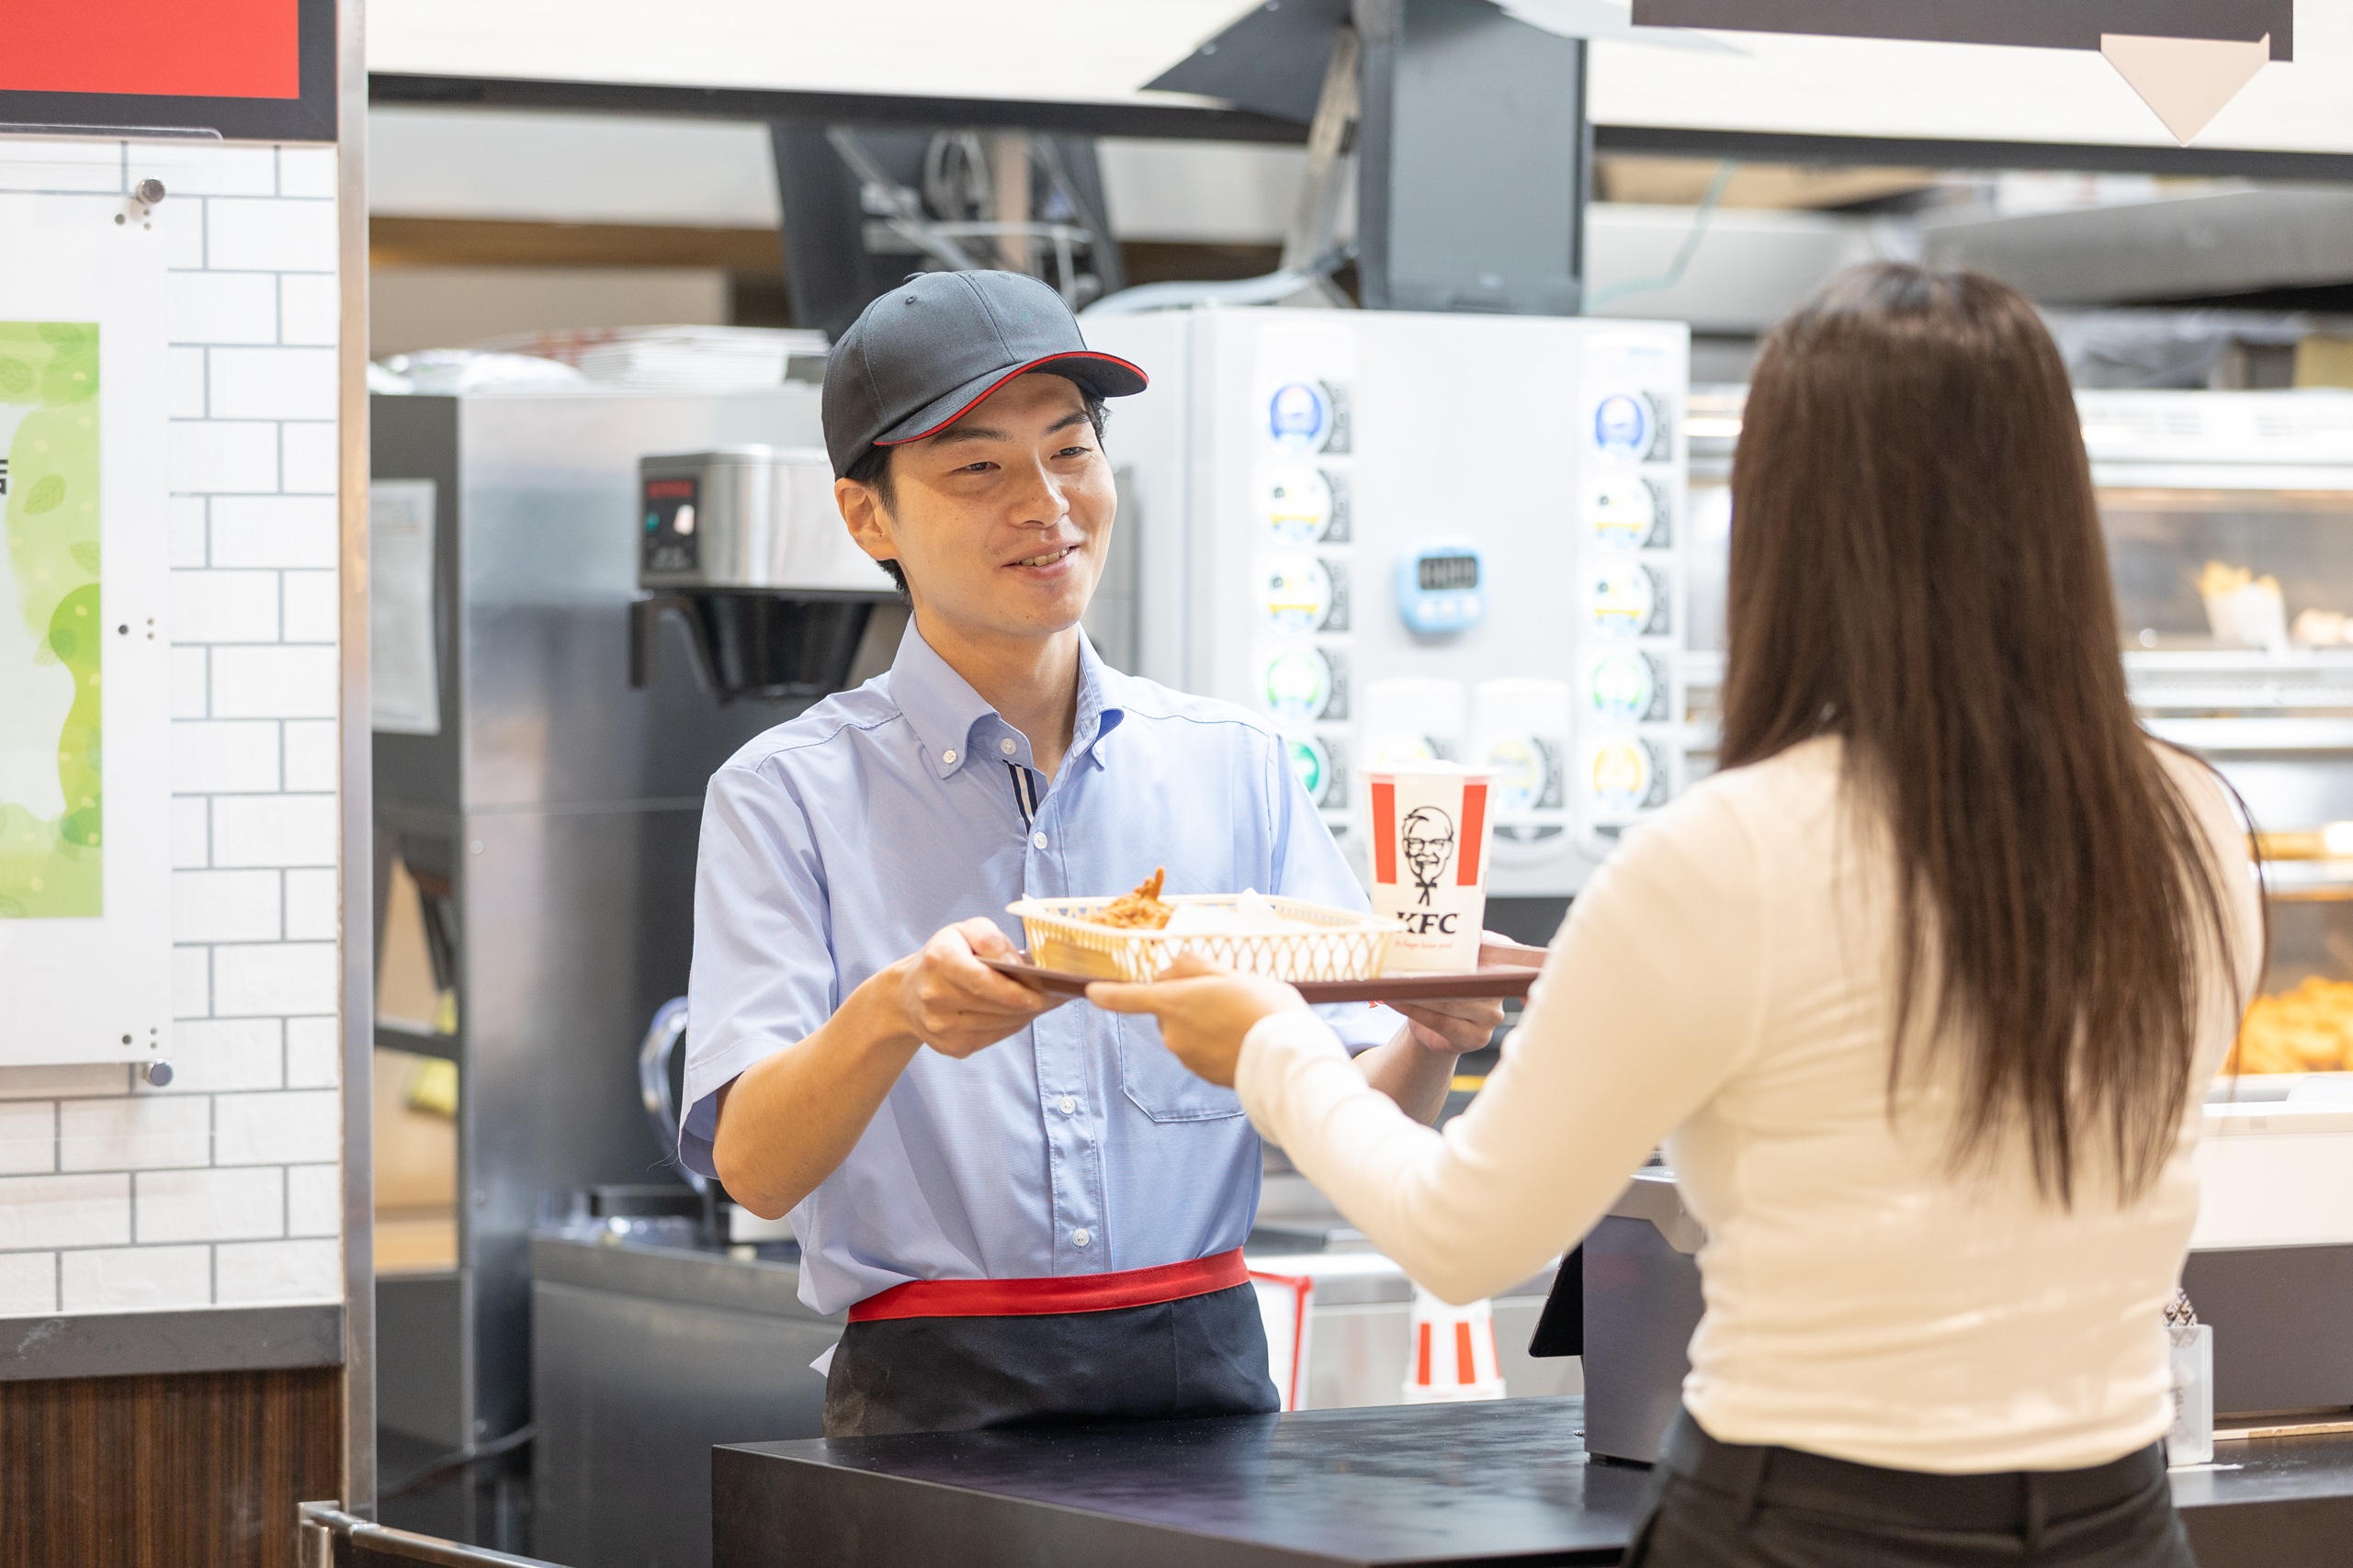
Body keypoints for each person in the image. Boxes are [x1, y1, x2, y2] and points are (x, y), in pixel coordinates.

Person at [1094, 263, 2262, 1567]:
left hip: (1807, 1523)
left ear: (1786, 527)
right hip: (2117, 1518)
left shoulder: (1729, 855)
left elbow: (1464, 1234)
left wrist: (1264, 1041)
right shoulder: (2195, 825)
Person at [678, 268, 1502, 1438]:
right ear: (869, 519)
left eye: (1070, 451)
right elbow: (753, 1169)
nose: (1044, 502)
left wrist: (1429, 1032)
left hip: (1206, 1375)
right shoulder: (784, 795)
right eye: (978, 468)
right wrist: (893, 1011)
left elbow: (1356, 1135)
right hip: (930, 1388)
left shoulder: (1237, 764)